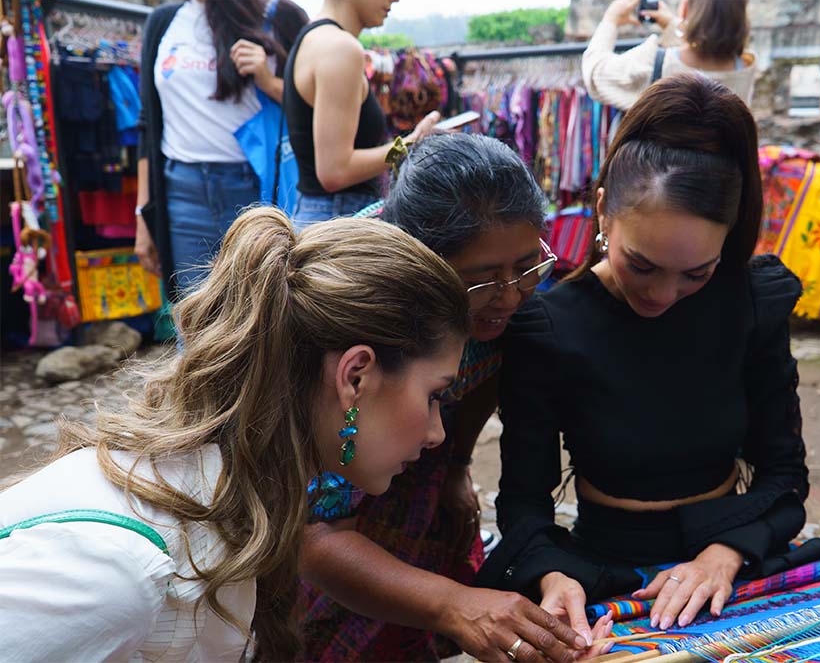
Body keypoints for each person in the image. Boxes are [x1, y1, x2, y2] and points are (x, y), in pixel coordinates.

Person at [0, 207, 474, 660]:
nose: (435, 433)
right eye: (434, 396)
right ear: (355, 377)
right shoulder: (122, 572)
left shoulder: (231, 504)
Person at [479, 74, 809, 636]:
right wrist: (555, 576)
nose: (661, 296)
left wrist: (722, 556)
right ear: (603, 210)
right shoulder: (549, 327)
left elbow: (784, 476)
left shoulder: (751, 305)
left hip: (734, 559)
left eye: (696, 274)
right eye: (643, 265)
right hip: (602, 569)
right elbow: (524, 503)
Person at [298, 133, 614, 662]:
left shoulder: (496, 310)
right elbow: (318, 533)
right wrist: (454, 606)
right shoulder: (352, 320)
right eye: (483, 281)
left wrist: (454, 467)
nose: (510, 296)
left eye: (525, 268)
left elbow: (487, 371)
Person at [134, 0, 307, 298]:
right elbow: (148, 123)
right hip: (181, 192)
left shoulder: (277, 16)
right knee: (195, 315)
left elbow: (314, 107)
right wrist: (142, 215)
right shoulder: (164, 22)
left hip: (255, 190)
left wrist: (268, 81)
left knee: (261, 312)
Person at [284, 0, 440, 229]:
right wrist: (412, 143)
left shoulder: (313, 37)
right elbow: (334, 172)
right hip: (339, 219)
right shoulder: (340, 48)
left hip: (320, 215)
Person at [582, 0, 755, 109]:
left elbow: (596, 74)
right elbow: (707, 48)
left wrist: (611, 19)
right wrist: (674, 25)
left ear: (685, 8)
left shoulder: (653, 62)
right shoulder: (745, 66)